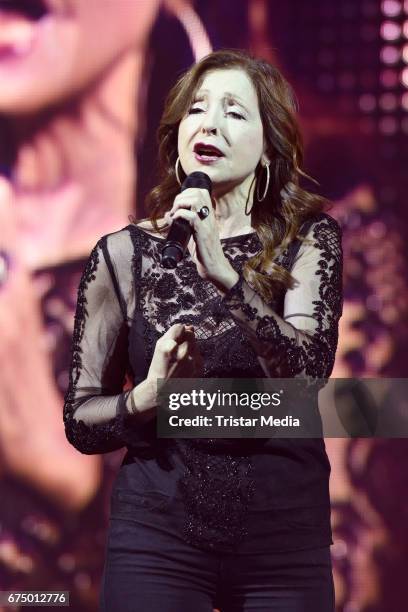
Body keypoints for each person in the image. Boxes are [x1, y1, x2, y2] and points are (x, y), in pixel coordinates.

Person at [63, 49, 343, 612]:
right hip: (156, 537)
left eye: (234, 112)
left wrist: (222, 271)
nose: (209, 122)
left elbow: (308, 380)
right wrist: (146, 397)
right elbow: (81, 421)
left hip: (282, 540)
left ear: (270, 146)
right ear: (178, 135)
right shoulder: (124, 256)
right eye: (196, 109)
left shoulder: (309, 241)